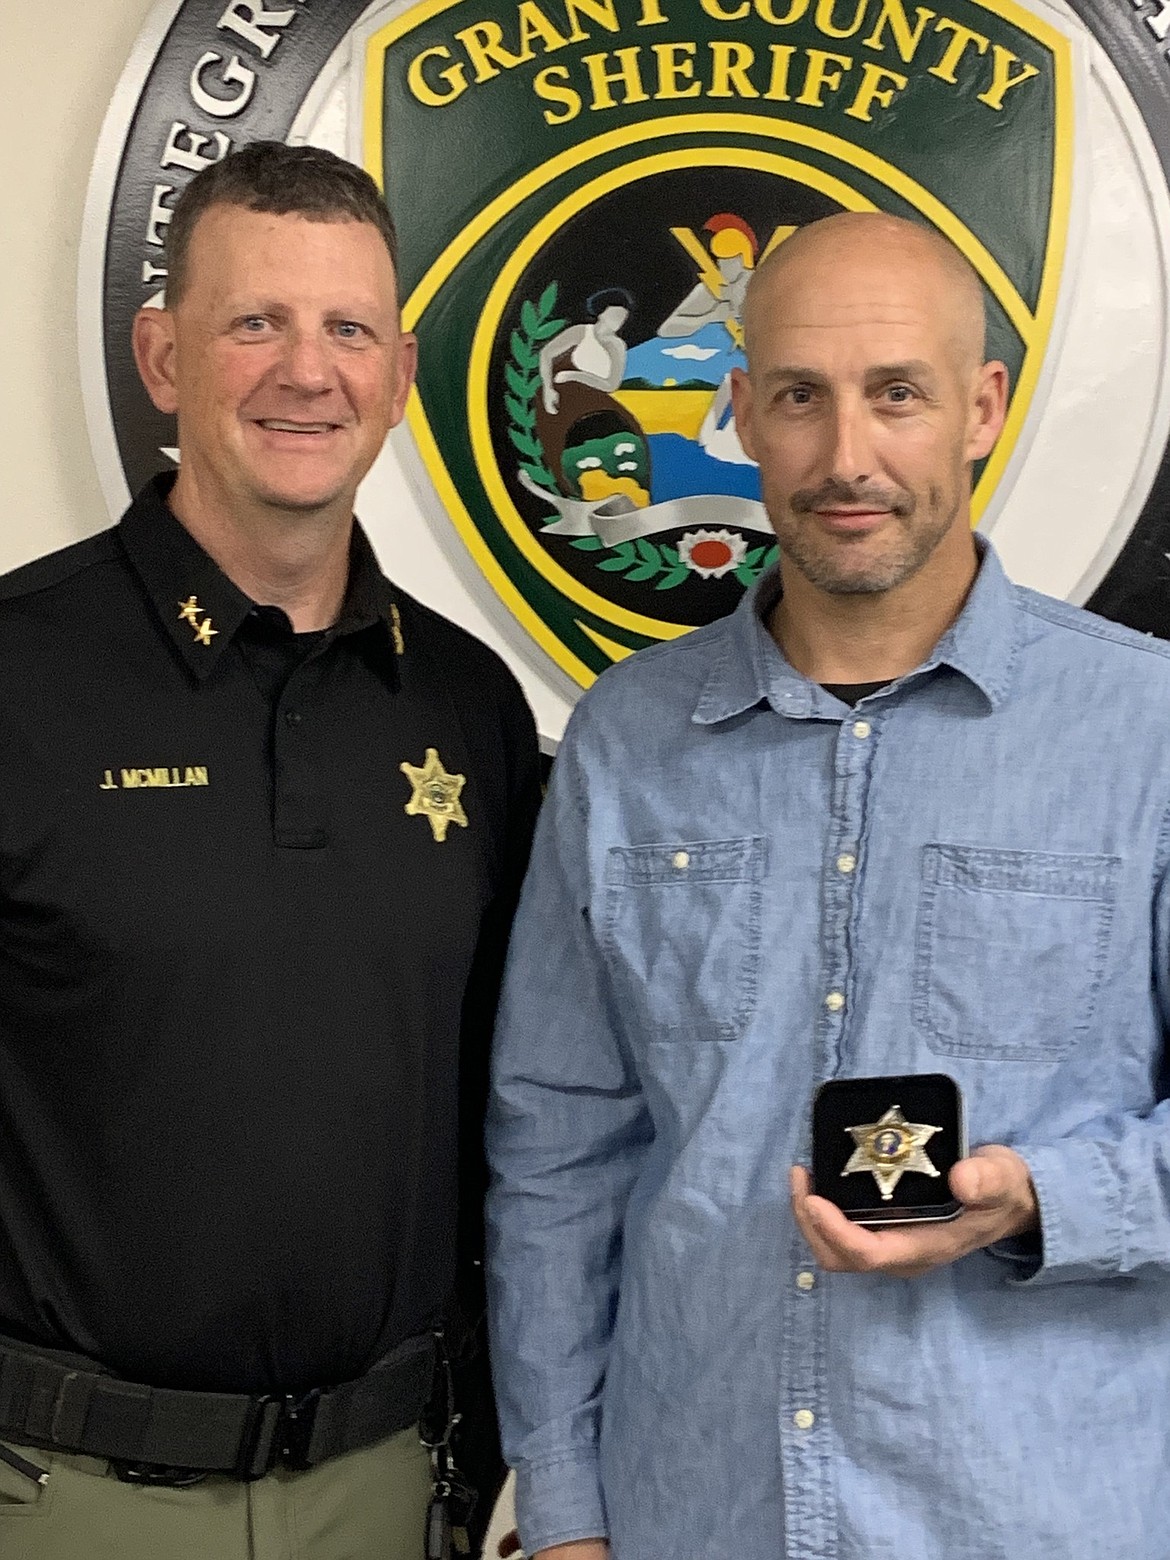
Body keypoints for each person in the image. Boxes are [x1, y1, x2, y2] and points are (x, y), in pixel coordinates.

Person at [484, 211, 1170, 1559]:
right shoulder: (626, 740)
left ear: (979, 407)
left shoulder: (1144, 731)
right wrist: (562, 1515)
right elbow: (556, 1150)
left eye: (894, 395)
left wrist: (1039, 1198)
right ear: (738, 413)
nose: (846, 456)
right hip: (698, 1512)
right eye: (799, 396)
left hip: (1039, 1518)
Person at [0, 140, 540, 1560]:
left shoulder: (470, 710)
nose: (308, 371)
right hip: (62, 1498)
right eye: (256, 322)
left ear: (400, 376)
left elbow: (522, 1111)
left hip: (390, 1491)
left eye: (347, 328)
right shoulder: (15, 676)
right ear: (162, 355)